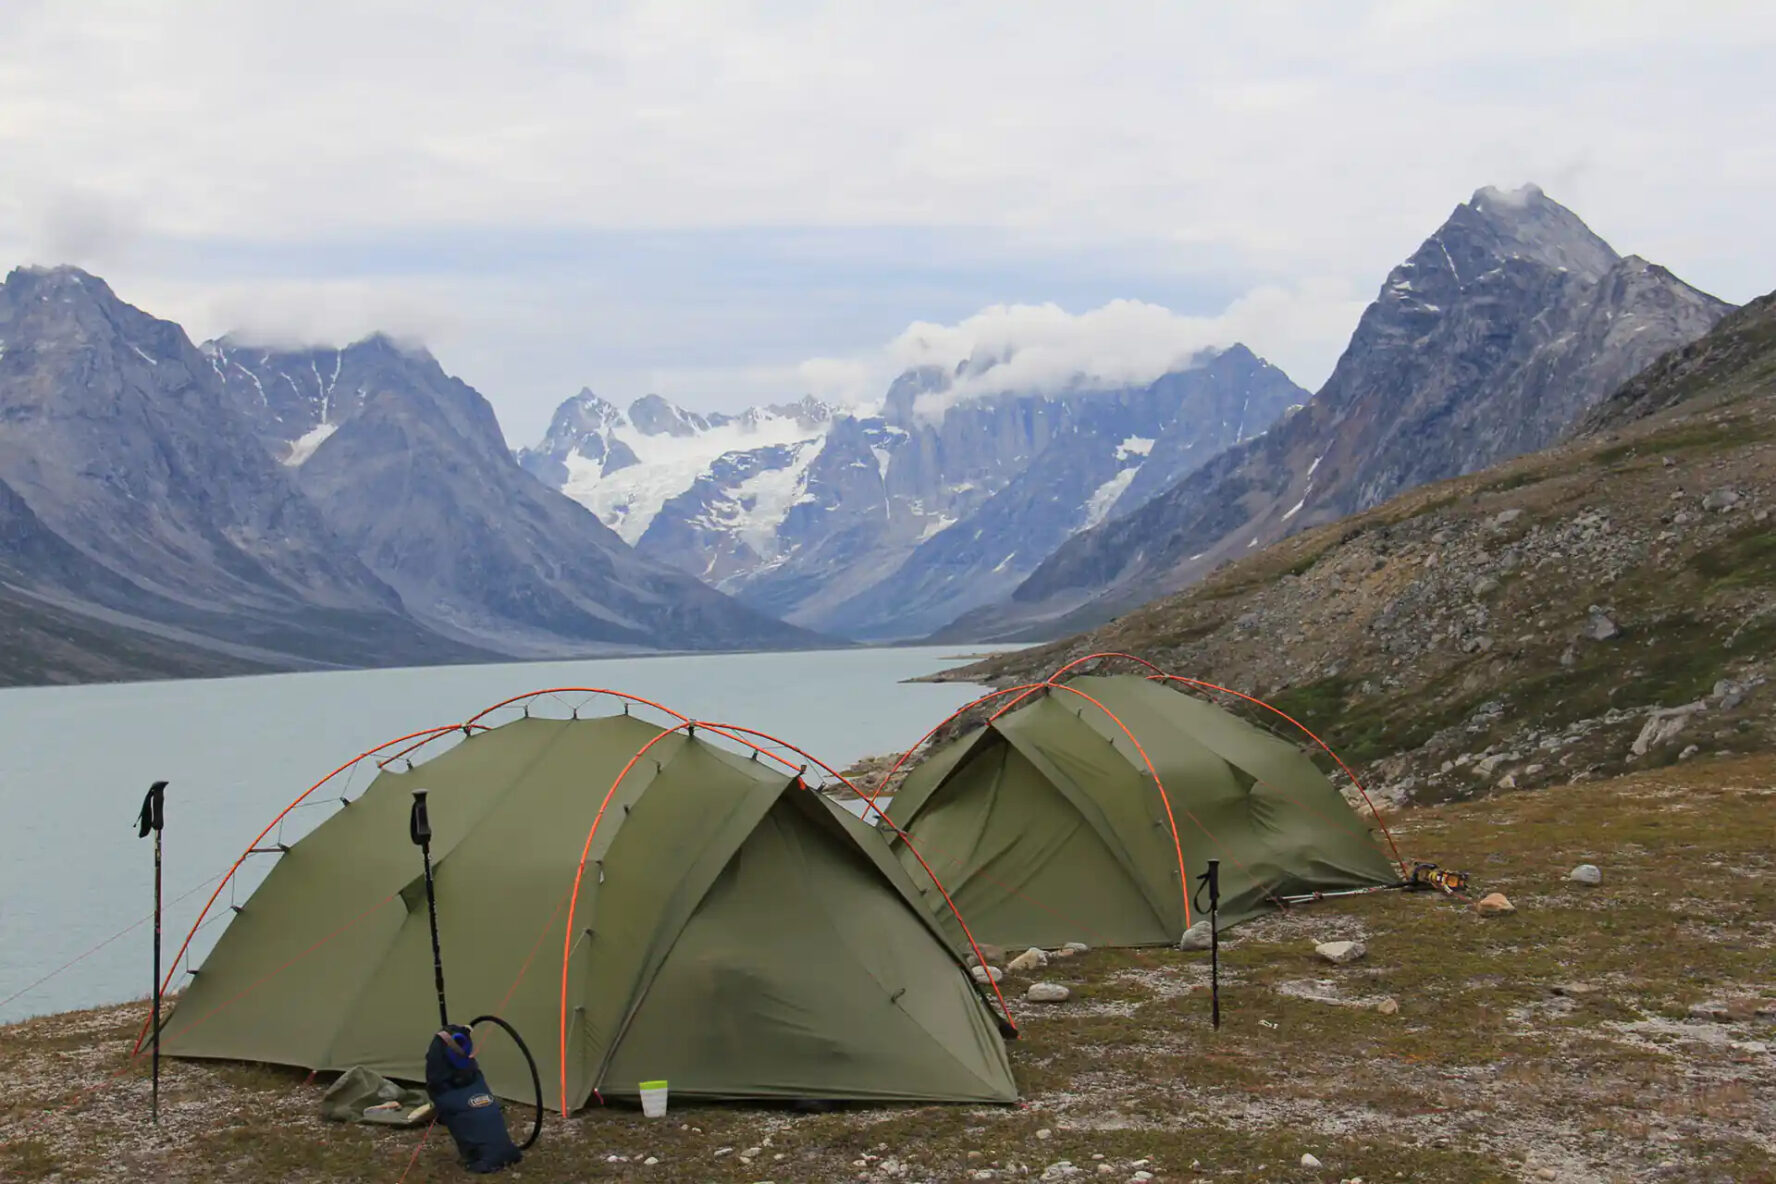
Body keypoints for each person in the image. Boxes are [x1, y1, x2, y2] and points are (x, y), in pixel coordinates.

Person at [424, 1025, 523, 1174]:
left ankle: (484, 1157)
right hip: (511, 1153)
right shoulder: (475, 1075)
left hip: (485, 1161)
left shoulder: (441, 1082)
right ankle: (499, 1151)